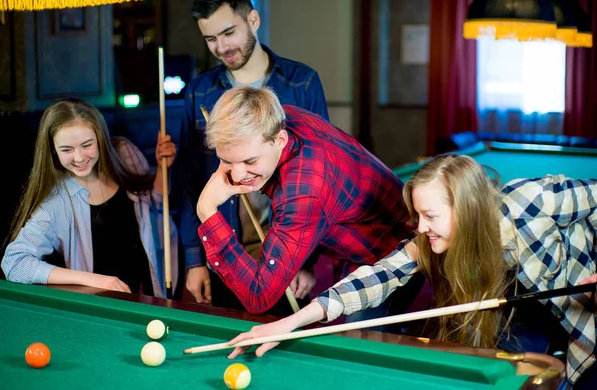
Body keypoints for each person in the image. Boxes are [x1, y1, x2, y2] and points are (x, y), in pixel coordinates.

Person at [227, 154, 597, 388]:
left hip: (585, 312)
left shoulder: (534, 201)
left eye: (431, 216)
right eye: (418, 215)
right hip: (522, 310)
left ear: (466, 210)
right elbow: (377, 276)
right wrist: (291, 322)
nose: (420, 227)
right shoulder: (429, 242)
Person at [195, 85, 422, 322]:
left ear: (280, 140)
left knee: (357, 349)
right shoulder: (283, 116)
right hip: (355, 238)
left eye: (249, 160)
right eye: (226, 161)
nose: (239, 175)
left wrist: (207, 211)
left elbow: (258, 296)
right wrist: (303, 258)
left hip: (393, 257)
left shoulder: (304, 193)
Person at [178, 0, 330, 311]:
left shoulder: (302, 83)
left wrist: (307, 260)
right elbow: (188, 183)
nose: (222, 48)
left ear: (253, 20)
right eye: (210, 39)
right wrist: (195, 260)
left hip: (286, 252)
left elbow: (318, 182)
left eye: (229, 33)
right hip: (224, 249)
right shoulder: (199, 92)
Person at [1, 98, 179, 298]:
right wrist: (93, 279)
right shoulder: (56, 202)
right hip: (100, 306)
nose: (79, 158)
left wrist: (164, 169)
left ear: (100, 138)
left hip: (150, 292)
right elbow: (14, 263)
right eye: (66, 150)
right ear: (52, 149)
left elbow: (153, 206)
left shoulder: (125, 153)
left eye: (86, 145)